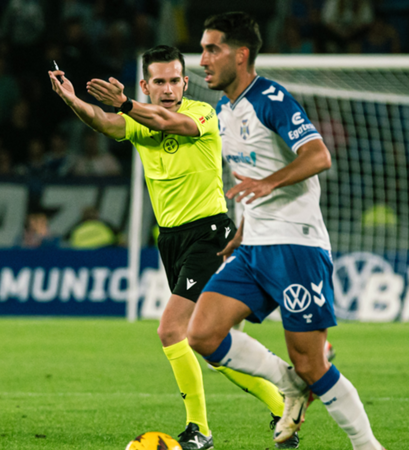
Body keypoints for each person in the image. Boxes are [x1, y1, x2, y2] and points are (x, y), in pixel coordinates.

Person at [48, 44, 292, 450]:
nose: (166, 88)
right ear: (146, 84)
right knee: (211, 345)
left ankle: (199, 429)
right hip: (171, 240)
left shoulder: (201, 114)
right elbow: (104, 123)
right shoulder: (137, 119)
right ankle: (282, 405)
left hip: (209, 235)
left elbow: (166, 122)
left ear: (184, 82)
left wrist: (126, 103)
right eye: (157, 82)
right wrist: (73, 100)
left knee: (171, 329)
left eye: (173, 80)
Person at [188, 12, 384, 450]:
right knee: (201, 334)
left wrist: (269, 183)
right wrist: (242, 227)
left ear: (241, 55)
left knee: (313, 362)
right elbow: (250, 171)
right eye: (202, 49)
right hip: (254, 246)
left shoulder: (271, 98)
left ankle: (368, 445)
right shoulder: (225, 109)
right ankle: (289, 384)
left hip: (295, 244)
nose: (202, 59)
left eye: (211, 49)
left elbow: (318, 156)